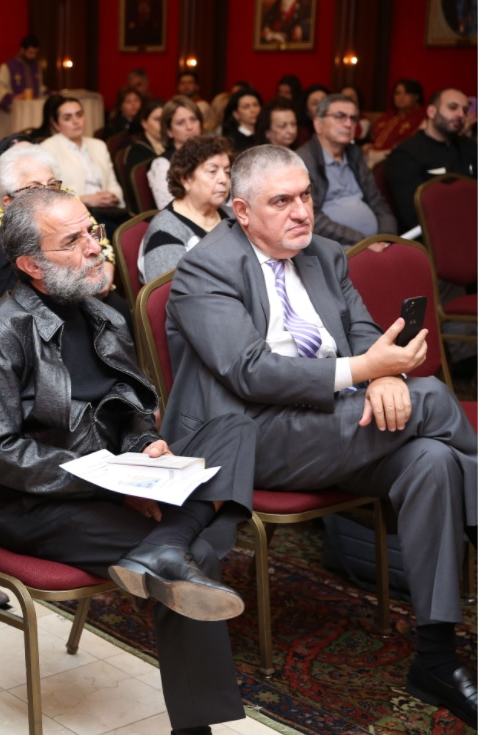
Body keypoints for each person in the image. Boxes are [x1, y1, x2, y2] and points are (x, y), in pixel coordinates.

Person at [164, 143, 477, 729]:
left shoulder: (325, 254)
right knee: (433, 397)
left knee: (432, 460)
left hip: (335, 425)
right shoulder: (204, 268)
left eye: (306, 195)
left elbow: (361, 331)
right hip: (253, 437)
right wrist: (367, 371)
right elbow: (249, 371)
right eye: (281, 201)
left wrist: (384, 374)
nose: (302, 211)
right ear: (241, 211)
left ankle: (435, 657)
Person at [0, 185, 256, 735]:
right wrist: (108, 480)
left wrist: (144, 447)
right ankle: (196, 724)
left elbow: (134, 407)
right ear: (32, 265)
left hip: (118, 480)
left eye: (91, 231)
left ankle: (164, 545)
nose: (96, 246)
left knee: (235, 428)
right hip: (38, 505)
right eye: (73, 241)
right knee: (194, 559)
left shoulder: (103, 315)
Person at [0, 145, 133, 333]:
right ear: (9, 202)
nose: (48, 196)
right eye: (34, 189)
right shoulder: (10, 252)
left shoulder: (67, 218)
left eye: (53, 186)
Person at [296, 94, 396, 247]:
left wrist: (386, 238)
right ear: (318, 124)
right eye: (339, 116)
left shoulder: (355, 154)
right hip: (334, 248)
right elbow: (310, 216)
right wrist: (362, 242)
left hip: (374, 245)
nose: (349, 124)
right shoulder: (303, 161)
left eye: (353, 118)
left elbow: (379, 204)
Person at [139, 135, 233, 283]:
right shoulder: (164, 233)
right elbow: (176, 293)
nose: (223, 180)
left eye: (227, 172)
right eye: (212, 171)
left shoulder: (233, 215)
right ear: (185, 179)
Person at [385, 87, 477, 232]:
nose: (461, 114)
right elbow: (413, 215)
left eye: (465, 110)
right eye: (453, 107)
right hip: (433, 234)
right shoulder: (406, 154)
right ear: (432, 112)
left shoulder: (470, 147)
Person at [40, 96, 125, 218]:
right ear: (56, 124)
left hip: (108, 209)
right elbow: (48, 194)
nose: (76, 121)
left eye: (79, 115)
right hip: (74, 215)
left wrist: (113, 196)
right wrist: (84, 199)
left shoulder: (99, 145)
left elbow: (112, 182)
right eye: (67, 118)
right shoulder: (47, 148)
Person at [148, 96, 204, 209]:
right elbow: (170, 208)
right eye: (181, 122)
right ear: (169, 131)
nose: (189, 127)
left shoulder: (212, 155)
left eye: (193, 119)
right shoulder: (162, 165)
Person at [365, 79, 426, 168]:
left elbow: (414, 145)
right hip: (372, 158)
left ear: (416, 97)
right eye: (397, 93)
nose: (401, 97)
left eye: (407, 93)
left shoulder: (422, 118)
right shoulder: (387, 117)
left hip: (398, 161)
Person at [0, 35, 43, 114]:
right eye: (30, 53)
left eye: (35, 53)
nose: (33, 56)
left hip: (32, 112)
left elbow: (39, 87)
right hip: (13, 112)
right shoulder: (8, 67)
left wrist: (50, 93)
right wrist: (14, 98)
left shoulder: (36, 67)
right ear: (22, 50)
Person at [123, 98, 166, 173]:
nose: (162, 124)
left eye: (165, 119)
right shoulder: (136, 152)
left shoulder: (173, 143)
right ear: (144, 124)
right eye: (157, 119)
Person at [221, 88, 263, 153]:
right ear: (235, 114)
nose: (253, 110)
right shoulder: (232, 140)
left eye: (255, 105)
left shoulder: (266, 134)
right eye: (246, 107)